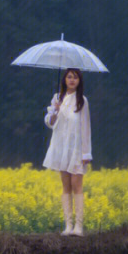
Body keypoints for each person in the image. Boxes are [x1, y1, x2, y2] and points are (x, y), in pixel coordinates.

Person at [42, 68, 92, 235]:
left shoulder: (82, 101)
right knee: (65, 187)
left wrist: (86, 153)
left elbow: (86, 128)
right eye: (69, 77)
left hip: (76, 149)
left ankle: (78, 226)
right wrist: (55, 110)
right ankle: (68, 225)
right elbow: (49, 122)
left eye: (75, 78)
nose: (72, 80)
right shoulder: (57, 98)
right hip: (61, 147)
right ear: (64, 80)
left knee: (76, 185)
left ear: (79, 81)